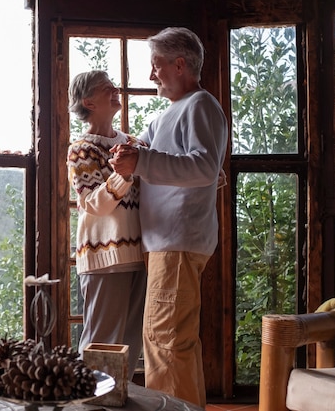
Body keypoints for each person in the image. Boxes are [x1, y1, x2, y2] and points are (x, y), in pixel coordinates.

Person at [109, 27, 228, 407]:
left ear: (180, 65)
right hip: (168, 245)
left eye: (156, 65)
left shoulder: (201, 105)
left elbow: (206, 167)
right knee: (176, 345)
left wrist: (141, 161)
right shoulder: (168, 116)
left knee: (165, 345)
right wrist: (131, 149)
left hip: (177, 244)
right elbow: (142, 145)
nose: (150, 75)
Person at [67, 70, 147, 379]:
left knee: (130, 344)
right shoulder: (81, 150)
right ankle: (87, 403)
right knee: (100, 344)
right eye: (106, 88)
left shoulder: (133, 144)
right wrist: (124, 174)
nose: (116, 90)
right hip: (104, 258)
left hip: (139, 255)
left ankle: (116, 401)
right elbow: (93, 203)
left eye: (113, 85)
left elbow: (156, 186)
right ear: (88, 101)